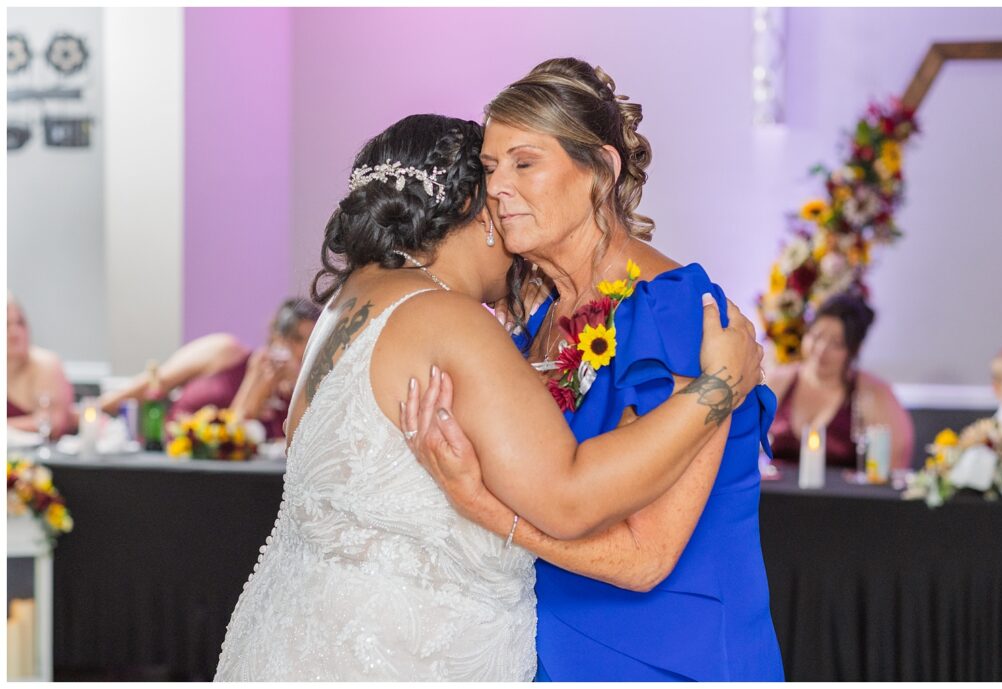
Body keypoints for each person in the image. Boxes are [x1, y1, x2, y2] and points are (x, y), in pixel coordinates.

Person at [214, 112, 764, 681]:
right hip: (403, 656)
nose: (508, 207)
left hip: (295, 639)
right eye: (495, 185)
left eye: (524, 168)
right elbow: (569, 495)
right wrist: (718, 388)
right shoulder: (445, 318)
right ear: (478, 216)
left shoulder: (343, 308)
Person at [399, 58, 784, 681]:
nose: (498, 188)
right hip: (549, 651)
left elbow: (646, 558)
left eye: (525, 163)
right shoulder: (536, 322)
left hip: (667, 656)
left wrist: (483, 507)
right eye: (491, 168)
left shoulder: (678, 312)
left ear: (599, 172)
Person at [97, 298, 320, 439]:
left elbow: (232, 433)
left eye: (309, 343)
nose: (300, 351)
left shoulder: (296, 397)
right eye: (296, 339)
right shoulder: (226, 351)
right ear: (275, 335)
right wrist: (102, 406)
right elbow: (158, 381)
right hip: (166, 449)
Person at [767, 291, 914, 469]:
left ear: (854, 350)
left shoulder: (874, 394)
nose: (821, 350)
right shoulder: (777, 382)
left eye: (836, 344)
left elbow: (895, 464)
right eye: (816, 336)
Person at [7, 291, 75, 439]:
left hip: (46, 457)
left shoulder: (45, 364)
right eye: (6, 325)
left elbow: (51, 424)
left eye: (20, 323)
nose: (14, 332)